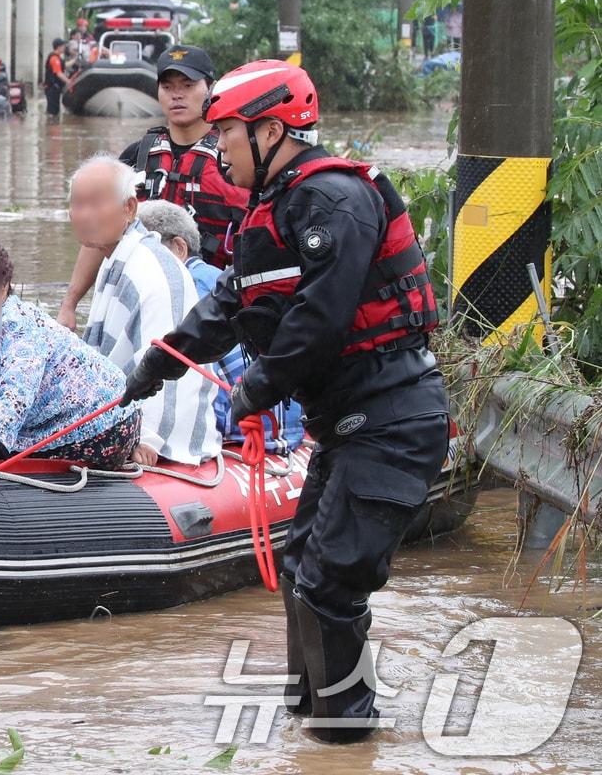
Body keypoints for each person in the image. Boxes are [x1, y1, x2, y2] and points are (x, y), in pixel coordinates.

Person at [122, 60, 446, 743]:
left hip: (391, 418)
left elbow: (319, 320)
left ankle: (345, 740)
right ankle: (318, 730)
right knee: (303, 568)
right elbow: (231, 306)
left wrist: (254, 390)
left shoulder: (334, 202)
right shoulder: (272, 211)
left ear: (270, 129)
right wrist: (161, 361)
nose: (217, 152)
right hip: (348, 425)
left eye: (227, 136)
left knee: (329, 582)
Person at [57, 45, 248, 331]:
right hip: (140, 296)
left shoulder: (232, 156)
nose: (177, 94)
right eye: (168, 86)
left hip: (209, 302)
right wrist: (69, 305)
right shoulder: (138, 156)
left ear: (210, 89)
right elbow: (100, 232)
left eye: (188, 85)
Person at [0, 232, 137, 471]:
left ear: (2, 289)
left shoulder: (19, 327)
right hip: (90, 421)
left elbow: (16, 399)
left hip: (106, 426)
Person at [68, 155, 221, 467]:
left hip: (166, 440)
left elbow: (168, 362)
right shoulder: (114, 256)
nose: (84, 214)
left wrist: (148, 437)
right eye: (77, 204)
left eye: (96, 204)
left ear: (129, 208)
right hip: (118, 415)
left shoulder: (151, 269)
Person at [136, 200, 304, 455]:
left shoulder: (183, 289)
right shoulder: (220, 279)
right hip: (282, 429)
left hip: (244, 432)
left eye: (146, 255)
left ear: (179, 248)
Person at [44, 38, 70, 117]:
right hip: (52, 87)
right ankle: (51, 127)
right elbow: (59, 73)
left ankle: (52, 126)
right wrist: (69, 82)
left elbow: (64, 65)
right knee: (53, 112)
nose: (64, 47)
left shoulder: (58, 58)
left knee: (55, 110)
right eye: (63, 46)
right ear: (58, 47)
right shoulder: (54, 58)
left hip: (55, 87)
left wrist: (75, 60)